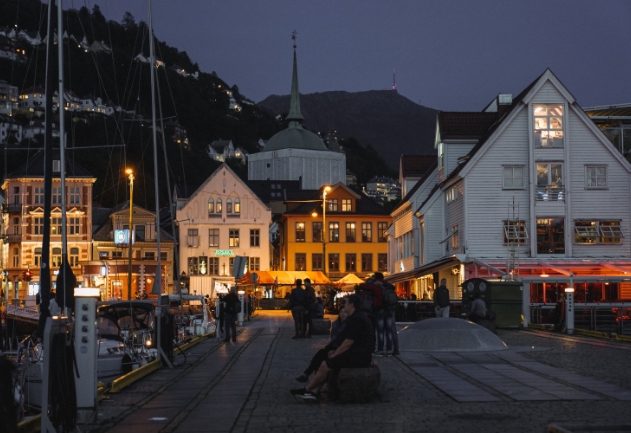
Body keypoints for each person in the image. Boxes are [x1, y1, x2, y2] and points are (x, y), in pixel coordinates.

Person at [290, 294, 374, 403]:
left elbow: (348, 342)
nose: (344, 305)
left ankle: (307, 389)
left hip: (358, 356)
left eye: (346, 303)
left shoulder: (357, 319)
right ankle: (314, 392)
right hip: (357, 353)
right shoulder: (357, 316)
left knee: (327, 364)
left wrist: (335, 354)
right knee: (324, 357)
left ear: (351, 305)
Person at [295, 298, 349, 383]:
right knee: (320, 355)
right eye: (341, 312)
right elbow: (334, 338)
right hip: (334, 347)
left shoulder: (349, 325)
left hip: (341, 349)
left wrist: (334, 351)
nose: (343, 314)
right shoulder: (336, 324)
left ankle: (308, 377)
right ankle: (311, 380)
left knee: (321, 356)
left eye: (345, 312)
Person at [359, 276, 389, 355]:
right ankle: (382, 349)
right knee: (381, 331)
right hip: (382, 310)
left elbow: (361, 285)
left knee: (373, 331)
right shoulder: (381, 287)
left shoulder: (372, 288)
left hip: (374, 311)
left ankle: (374, 349)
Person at [374, 272, 399, 356]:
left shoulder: (376, 286)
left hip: (380, 310)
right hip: (390, 310)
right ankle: (390, 350)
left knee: (380, 331)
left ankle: (380, 350)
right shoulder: (388, 286)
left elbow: (363, 286)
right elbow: (393, 287)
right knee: (390, 331)